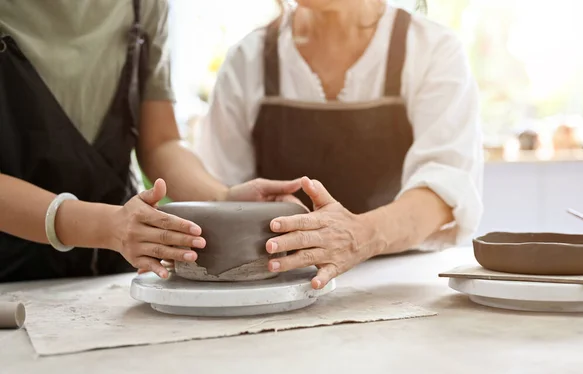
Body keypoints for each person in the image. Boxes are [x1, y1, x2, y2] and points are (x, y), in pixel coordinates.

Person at [0, 0, 303, 283]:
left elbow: (160, 142)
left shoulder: (142, 5)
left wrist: (223, 200)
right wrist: (108, 226)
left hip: (110, 269)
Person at [197, 0, 484, 289]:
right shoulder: (248, 58)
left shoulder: (431, 48)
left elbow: (444, 188)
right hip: (278, 283)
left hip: (399, 283)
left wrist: (359, 235)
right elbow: (223, 192)